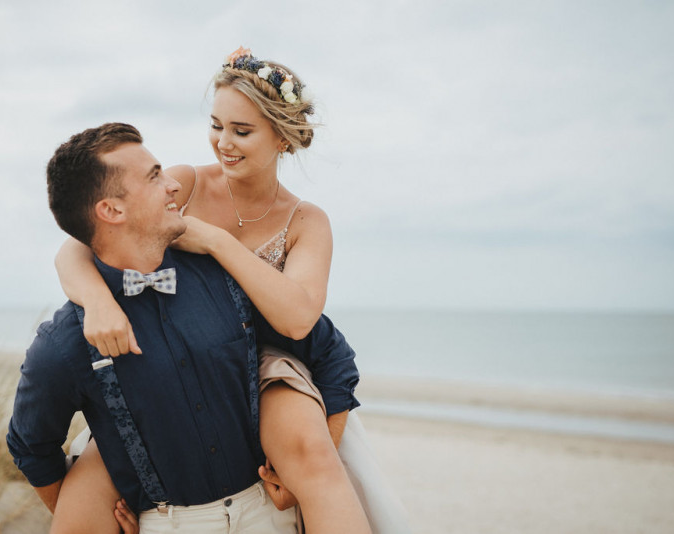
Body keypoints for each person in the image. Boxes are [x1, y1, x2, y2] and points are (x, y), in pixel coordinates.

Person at [55, 48, 409, 534]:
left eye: (242, 131)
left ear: (283, 139)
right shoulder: (185, 183)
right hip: (173, 346)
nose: (224, 142)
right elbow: (77, 247)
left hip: (269, 360)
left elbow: (298, 318)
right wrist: (96, 302)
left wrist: (217, 241)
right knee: (92, 474)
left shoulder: (306, 221)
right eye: (217, 125)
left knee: (312, 453)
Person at [6, 122, 365, 534]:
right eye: (155, 176)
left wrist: (318, 460)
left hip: (270, 514)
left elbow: (331, 355)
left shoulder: (227, 282)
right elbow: (31, 446)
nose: (174, 184)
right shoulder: (67, 341)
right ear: (112, 211)